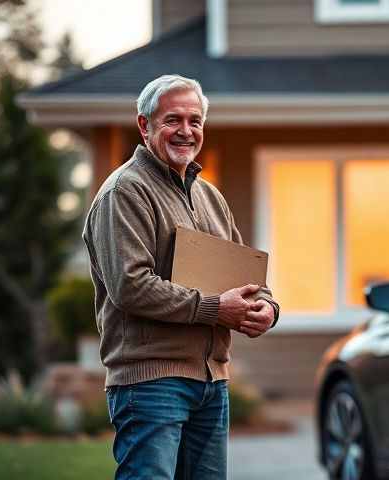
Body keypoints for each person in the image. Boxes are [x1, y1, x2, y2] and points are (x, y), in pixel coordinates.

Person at [82, 74, 279, 480]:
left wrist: (266, 308)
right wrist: (215, 309)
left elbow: (244, 275)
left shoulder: (209, 196)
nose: (185, 131)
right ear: (145, 126)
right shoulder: (126, 192)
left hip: (210, 380)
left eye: (195, 121)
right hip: (151, 382)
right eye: (173, 120)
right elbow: (130, 286)